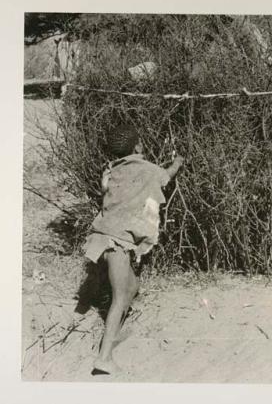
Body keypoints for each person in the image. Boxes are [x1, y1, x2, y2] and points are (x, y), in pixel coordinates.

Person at [82, 122, 183, 375]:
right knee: (119, 299)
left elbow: (107, 192)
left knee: (132, 288)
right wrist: (178, 162)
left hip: (102, 240)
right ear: (138, 145)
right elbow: (166, 176)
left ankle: (111, 335)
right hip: (115, 244)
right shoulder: (147, 169)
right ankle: (104, 358)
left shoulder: (113, 170)